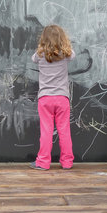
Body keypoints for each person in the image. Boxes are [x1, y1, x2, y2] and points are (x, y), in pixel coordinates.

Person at [29, 25, 75, 171]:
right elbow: (72, 54)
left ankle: (42, 162)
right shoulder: (66, 54)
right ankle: (67, 162)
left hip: (45, 98)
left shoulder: (40, 55)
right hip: (62, 98)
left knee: (46, 131)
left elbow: (33, 58)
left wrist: (42, 47)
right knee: (64, 130)